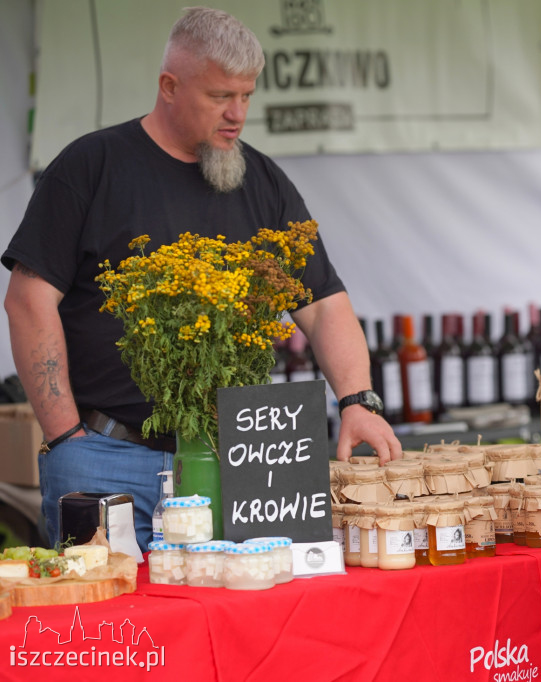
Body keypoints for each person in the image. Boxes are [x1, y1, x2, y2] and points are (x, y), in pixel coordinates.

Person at [2, 7, 402, 552]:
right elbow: (28, 300)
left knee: (233, 627)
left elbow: (325, 303)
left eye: (247, 96)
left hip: (234, 459)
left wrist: (358, 399)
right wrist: (66, 436)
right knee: (114, 628)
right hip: (106, 456)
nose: (237, 114)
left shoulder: (262, 181)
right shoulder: (92, 167)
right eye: (219, 97)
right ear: (169, 86)